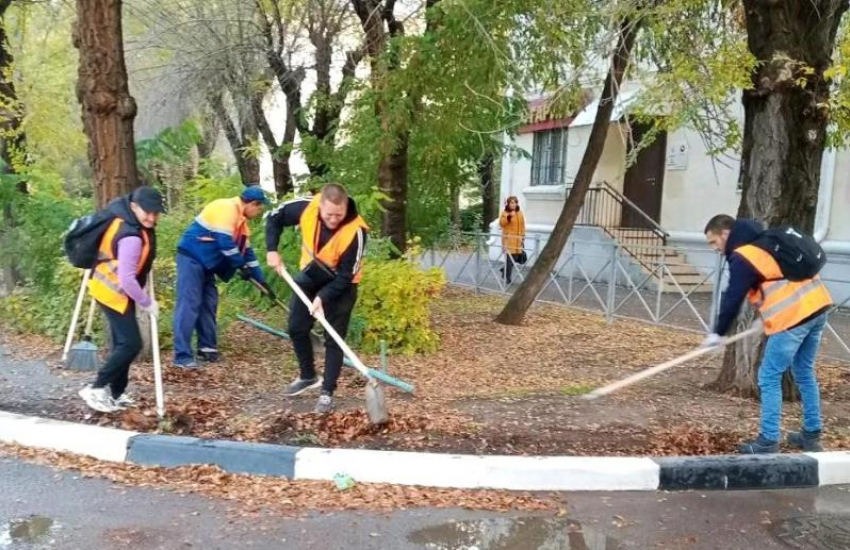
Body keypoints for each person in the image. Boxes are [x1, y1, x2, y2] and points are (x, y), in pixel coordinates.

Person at [703, 214, 833, 453]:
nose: (715, 249)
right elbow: (777, 280)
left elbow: (733, 298)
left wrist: (717, 333)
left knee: (768, 377)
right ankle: (811, 434)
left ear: (725, 234)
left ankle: (767, 440)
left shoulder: (745, 255)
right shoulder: (766, 239)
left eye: (714, 242)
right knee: (803, 371)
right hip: (818, 306)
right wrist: (763, 319)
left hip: (794, 318)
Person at [265, 183, 367, 414]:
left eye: (338, 215)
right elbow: (273, 217)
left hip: (341, 286)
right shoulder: (306, 207)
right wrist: (272, 249)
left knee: (334, 338)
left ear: (345, 207)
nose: (333, 219)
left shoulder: (356, 231)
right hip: (310, 276)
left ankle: (327, 393)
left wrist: (323, 297)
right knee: (296, 328)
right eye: (329, 214)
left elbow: (346, 275)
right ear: (320, 205)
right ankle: (308, 376)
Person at [78, 186, 165, 413]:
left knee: (122, 343)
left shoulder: (131, 222)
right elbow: (126, 279)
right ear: (134, 207)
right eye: (148, 212)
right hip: (112, 292)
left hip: (114, 291)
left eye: (156, 213)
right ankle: (96, 387)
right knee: (131, 343)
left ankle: (117, 393)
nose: (152, 217)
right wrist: (147, 302)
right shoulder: (131, 236)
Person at [172, 186, 270, 368]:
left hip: (207, 265)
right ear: (252, 204)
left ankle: (207, 348)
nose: (259, 211)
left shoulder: (241, 224)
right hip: (192, 258)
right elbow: (225, 242)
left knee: (209, 303)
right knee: (189, 304)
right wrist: (240, 265)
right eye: (259, 207)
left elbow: (248, 254)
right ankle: (182, 355)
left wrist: (262, 281)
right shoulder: (226, 208)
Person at [498, 196, 526, 284]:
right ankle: (507, 278)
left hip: (518, 240)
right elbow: (502, 223)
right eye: (512, 203)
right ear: (508, 204)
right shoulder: (505, 212)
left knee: (516, 258)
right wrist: (509, 216)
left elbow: (522, 225)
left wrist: (523, 235)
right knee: (510, 259)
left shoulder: (520, 213)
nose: (513, 204)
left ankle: (503, 269)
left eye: (515, 202)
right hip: (509, 240)